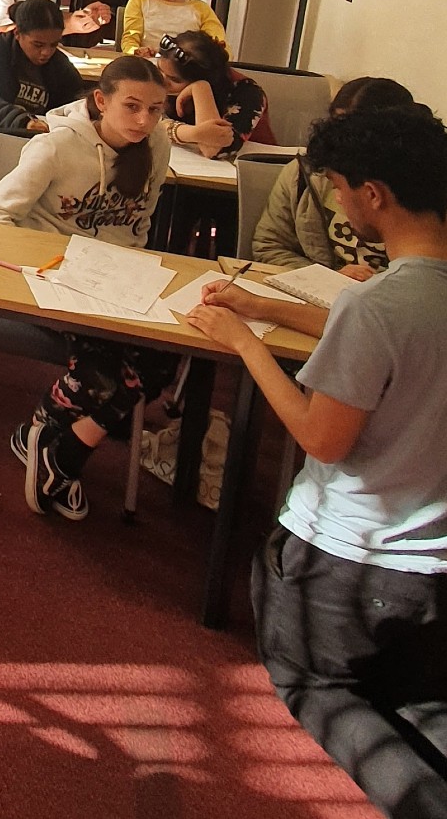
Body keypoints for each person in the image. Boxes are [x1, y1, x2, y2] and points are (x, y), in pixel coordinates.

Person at [184, 108, 447, 819]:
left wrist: (245, 341)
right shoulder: (394, 299)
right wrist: (259, 302)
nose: (333, 200)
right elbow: (373, 328)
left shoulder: (379, 308)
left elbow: (319, 437)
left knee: (323, 692)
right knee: (420, 697)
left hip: (348, 567)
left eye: (335, 187)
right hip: (435, 573)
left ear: (374, 195)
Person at [0, 55, 174, 521]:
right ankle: (59, 452)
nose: (145, 121)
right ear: (101, 101)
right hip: (55, 276)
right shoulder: (56, 146)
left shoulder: (157, 143)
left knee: (168, 355)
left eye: (156, 109)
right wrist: (39, 268)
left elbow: (141, 220)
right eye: (131, 107)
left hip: (118, 277)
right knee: (104, 374)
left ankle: (52, 445)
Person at [254, 77, 421, 275]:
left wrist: (377, 287)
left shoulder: (421, 191)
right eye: (335, 128)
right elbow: (269, 245)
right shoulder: (304, 175)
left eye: (355, 133)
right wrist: (328, 277)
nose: (340, 142)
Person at [0, 0, 84, 134]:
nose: (46, 52)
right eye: (38, 45)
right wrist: (21, 121)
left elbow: (76, 102)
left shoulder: (59, 64)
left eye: (53, 45)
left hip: (39, 140)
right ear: (17, 33)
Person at [156, 30, 269, 159]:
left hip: (251, 170)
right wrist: (195, 133)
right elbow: (144, 123)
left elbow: (213, 150)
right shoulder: (156, 78)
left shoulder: (248, 93)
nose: (161, 81)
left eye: (174, 80)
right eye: (159, 69)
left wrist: (201, 89)